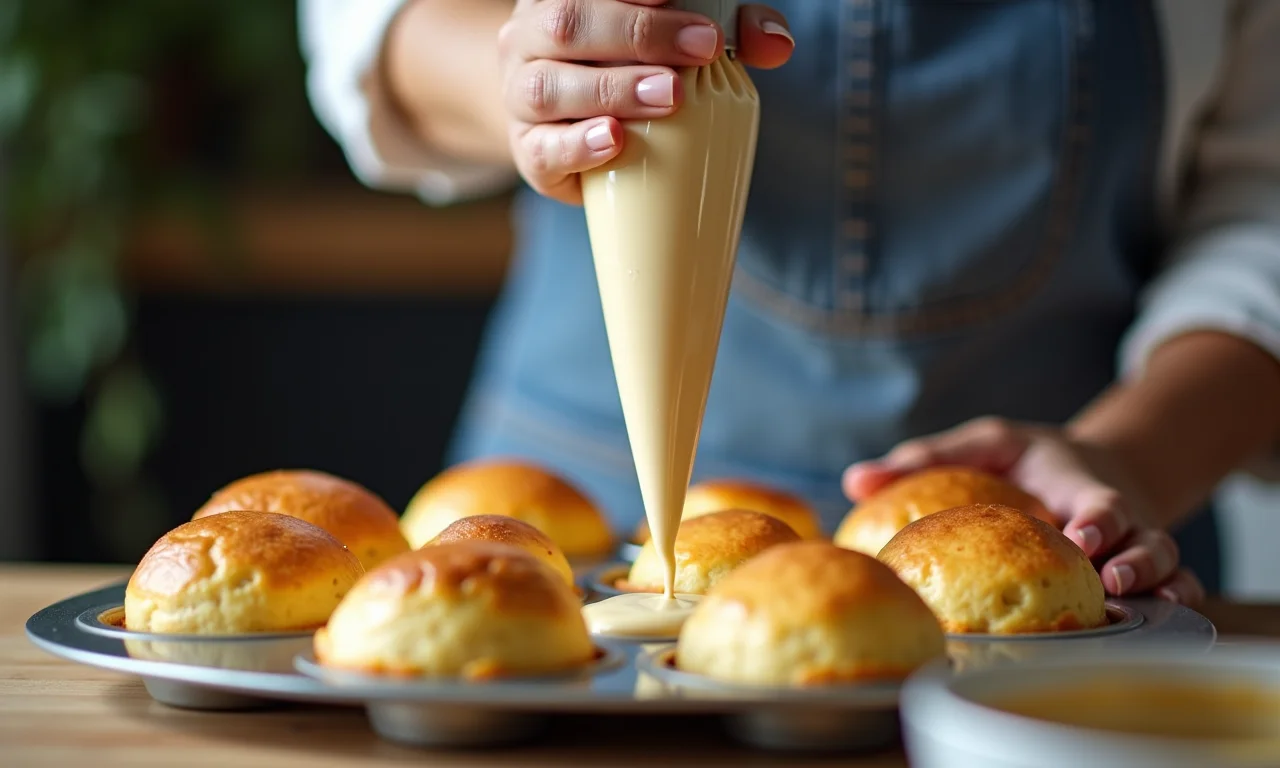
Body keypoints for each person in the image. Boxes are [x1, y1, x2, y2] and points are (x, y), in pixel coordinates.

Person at [299, 0, 1280, 606]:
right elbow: (364, 24)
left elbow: (1260, 210)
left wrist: (1130, 457)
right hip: (562, 544)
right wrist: (520, 79)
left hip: (1061, 542)